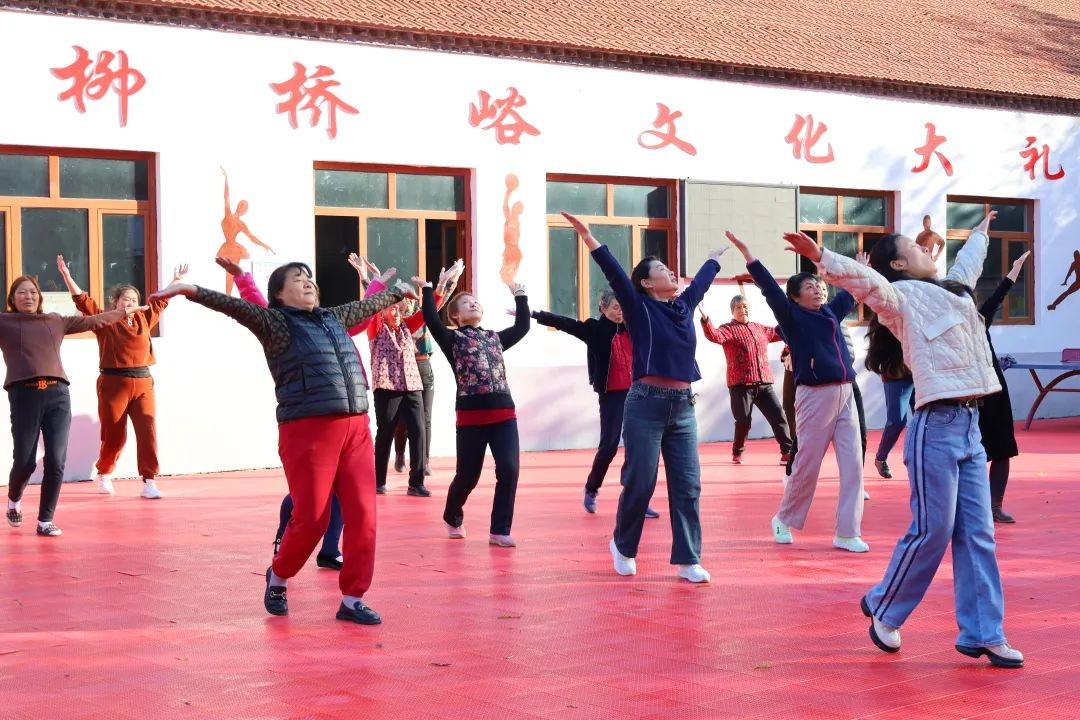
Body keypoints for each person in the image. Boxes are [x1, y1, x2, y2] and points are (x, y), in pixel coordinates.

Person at [796, 210, 1023, 668]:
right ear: (899, 264)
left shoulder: (954, 291)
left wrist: (980, 234)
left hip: (971, 424)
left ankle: (984, 633)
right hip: (935, 427)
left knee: (978, 533)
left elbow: (968, 266)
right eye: (916, 248)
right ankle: (885, 607)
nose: (927, 250)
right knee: (932, 530)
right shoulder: (899, 297)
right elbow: (866, 283)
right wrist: (823, 258)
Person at [151, 262, 408, 625]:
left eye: (309, 279)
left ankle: (353, 599)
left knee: (364, 514)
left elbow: (367, 305)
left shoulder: (334, 317)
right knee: (312, 519)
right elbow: (234, 306)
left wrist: (397, 293)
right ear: (279, 294)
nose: (308, 284)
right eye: (298, 280)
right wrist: (189, 290)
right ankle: (279, 575)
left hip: (357, 428)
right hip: (308, 430)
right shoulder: (276, 324)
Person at [564, 211, 723, 584]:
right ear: (647, 283)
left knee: (688, 484)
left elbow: (701, 283)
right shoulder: (637, 307)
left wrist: (714, 259)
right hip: (645, 405)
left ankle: (688, 559)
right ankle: (623, 545)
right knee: (640, 481)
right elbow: (614, 272)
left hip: (683, 407)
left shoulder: (683, 307)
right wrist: (588, 237)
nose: (671, 272)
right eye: (662, 269)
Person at [730, 235, 867, 553]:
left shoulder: (830, 312)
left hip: (845, 393)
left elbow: (853, 291)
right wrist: (749, 254)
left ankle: (847, 532)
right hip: (815, 397)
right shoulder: (791, 316)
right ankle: (783, 518)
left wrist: (859, 270)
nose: (818, 289)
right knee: (807, 465)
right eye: (809, 287)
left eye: (819, 285)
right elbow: (768, 287)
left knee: (854, 467)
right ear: (794, 296)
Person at [3, 275, 141, 536]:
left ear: (39, 297)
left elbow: (94, 321)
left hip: (58, 396)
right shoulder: (4, 322)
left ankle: (45, 521)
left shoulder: (55, 320)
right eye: (22, 292)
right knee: (25, 462)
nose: (28, 296)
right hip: (24, 396)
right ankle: (14, 500)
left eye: (33, 292)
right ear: (12, 298)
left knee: (56, 460)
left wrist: (123, 312)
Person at [56, 256, 187, 499]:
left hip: (143, 382)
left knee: (148, 431)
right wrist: (67, 276)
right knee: (115, 436)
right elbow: (83, 301)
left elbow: (160, 301)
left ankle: (149, 480)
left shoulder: (144, 318)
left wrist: (175, 281)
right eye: (126, 299)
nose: (131, 303)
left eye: (134, 299)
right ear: (115, 302)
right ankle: (104, 472)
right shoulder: (105, 319)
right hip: (113, 383)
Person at [420, 270, 530, 547]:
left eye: (475, 302)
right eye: (466, 303)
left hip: (504, 415)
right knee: (468, 476)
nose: (473, 304)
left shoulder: (494, 338)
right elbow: (431, 319)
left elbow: (522, 328)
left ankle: (499, 530)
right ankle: (452, 515)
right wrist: (429, 289)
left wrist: (520, 297)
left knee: (509, 470)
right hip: (471, 418)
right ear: (455, 316)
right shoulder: (452, 339)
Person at [531, 289, 659, 518]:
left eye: (622, 307)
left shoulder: (633, 327)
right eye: (615, 308)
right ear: (603, 308)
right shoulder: (595, 330)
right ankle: (592, 488)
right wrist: (534, 314)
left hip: (638, 393)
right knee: (609, 446)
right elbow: (565, 323)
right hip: (612, 396)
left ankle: (637, 500)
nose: (620, 312)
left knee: (638, 447)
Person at [699, 295, 792, 465]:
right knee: (743, 422)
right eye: (738, 307)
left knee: (778, 416)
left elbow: (781, 331)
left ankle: (788, 452)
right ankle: (737, 451)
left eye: (745, 306)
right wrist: (705, 319)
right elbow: (714, 335)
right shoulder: (728, 329)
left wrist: (792, 315)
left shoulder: (759, 328)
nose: (743, 310)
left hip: (764, 384)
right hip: (740, 386)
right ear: (732, 311)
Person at [391, 263, 462, 477]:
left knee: (425, 416)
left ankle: (424, 460)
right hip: (403, 368)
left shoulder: (422, 315)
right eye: (403, 299)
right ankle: (400, 453)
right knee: (403, 418)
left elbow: (441, 298)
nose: (407, 302)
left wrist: (451, 279)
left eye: (410, 299)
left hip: (423, 365)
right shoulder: (394, 320)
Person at [978, 251, 1030, 523]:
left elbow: (998, 296)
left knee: (1002, 449)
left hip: (996, 394)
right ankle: (970, 507)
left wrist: (1014, 270)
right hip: (967, 398)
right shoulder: (944, 332)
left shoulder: (979, 319)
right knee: (971, 455)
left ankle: (995, 506)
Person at [217, 167, 275, 296]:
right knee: (230, 273)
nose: (243, 210)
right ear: (240, 208)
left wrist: (264, 244)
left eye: (245, 208)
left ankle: (228, 297)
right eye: (243, 207)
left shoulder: (240, 223)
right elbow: (226, 197)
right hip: (230, 247)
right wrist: (226, 178)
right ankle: (228, 296)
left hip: (231, 248)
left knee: (232, 273)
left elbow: (251, 237)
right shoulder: (230, 216)